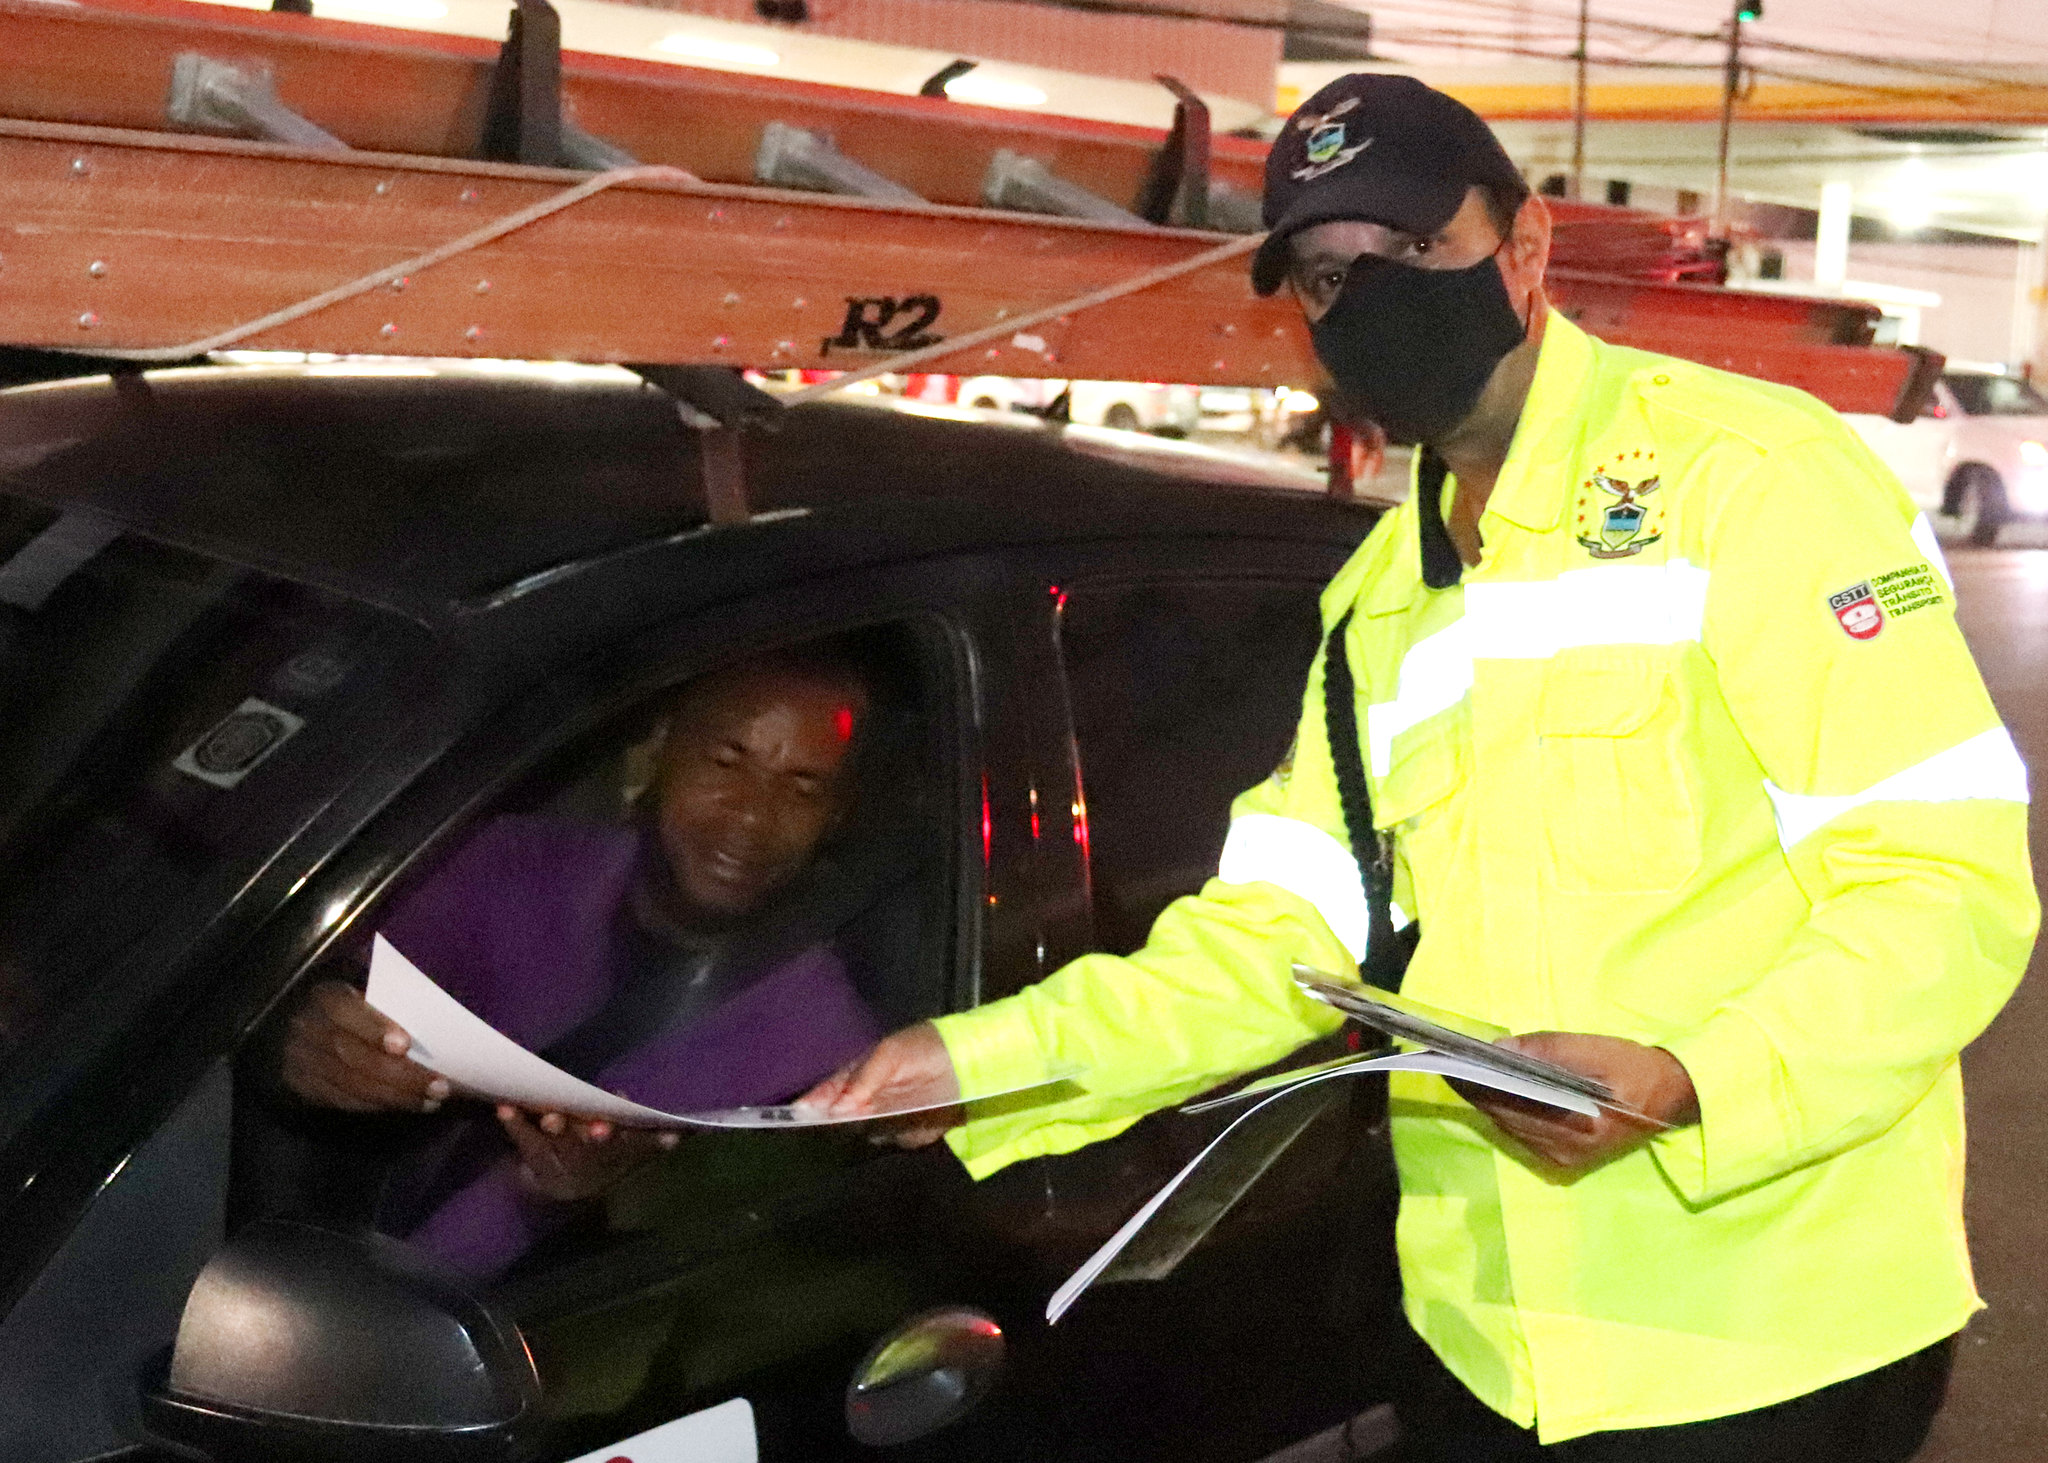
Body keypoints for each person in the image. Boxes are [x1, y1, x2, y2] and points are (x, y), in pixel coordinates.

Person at [804, 74, 2039, 1460]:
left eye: (1410, 246)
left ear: (1526, 245)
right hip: (1477, 1341)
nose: (1371, 296)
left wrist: (1693, 1074)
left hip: (1759, 1345)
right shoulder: (1379, 603)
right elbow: (1275, 942)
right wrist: (977, 1061)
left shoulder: (1748, 478)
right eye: (1329, 275)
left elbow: (1942, 884)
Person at [277, 645, 885, 1279]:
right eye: (725, 762)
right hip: (313, 1249)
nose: (754, 815)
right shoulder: (517, 863)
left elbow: (745, 1271)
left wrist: (606, 1207)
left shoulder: (827, 1051)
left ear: (835, 818)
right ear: (657, 752)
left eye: (804, 788)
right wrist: (308, 1043)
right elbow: (334, 985)